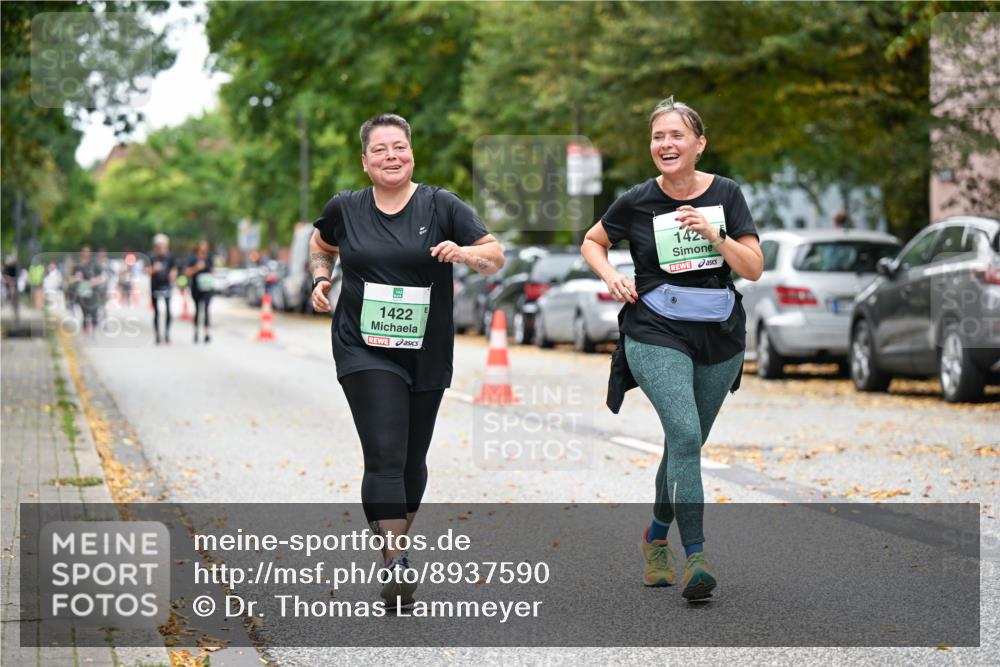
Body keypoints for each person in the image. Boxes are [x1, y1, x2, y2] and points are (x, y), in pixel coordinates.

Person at [309, 113, 503, 605]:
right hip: (363, 345)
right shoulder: (345, 208)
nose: (391, 156)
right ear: (365, 160)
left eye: (399, 147)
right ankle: (394, 559)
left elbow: (494, 255)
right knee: (385, 452)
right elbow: (321, 244)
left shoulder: (441, 204)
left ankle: (397, 546)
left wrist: (464, 253)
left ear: (411, 152)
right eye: (380, 150)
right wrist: (320, 277)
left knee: (413, 460)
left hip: (427, 348)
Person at [581, 97, 763, 601]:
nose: (666, 144)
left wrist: (715, 234)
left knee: (686, 445)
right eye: (658, 136)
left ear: (699, 144)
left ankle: (655, 538)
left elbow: (752, 267)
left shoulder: (726, 194)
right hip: (655, 329)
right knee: (683, 433)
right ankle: (696, 557)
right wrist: (612, 275)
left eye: (677, 135)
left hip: (719, 334)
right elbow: (592, 242)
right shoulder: (636, 200)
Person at [146, 233, 177, 344]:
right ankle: (157, 335)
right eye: (160, 245)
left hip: (167, 286)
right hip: (155, 286)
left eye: (164, 245)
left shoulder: (169, 256)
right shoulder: (151, 256)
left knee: (168, 311)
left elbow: (174, 269)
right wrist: (154, 269)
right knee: (156, 312)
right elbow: (146, 271)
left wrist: (173, 275)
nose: (162, 248)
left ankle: (167, 333)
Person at [70, 245, 104, 335]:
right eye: (83, 251)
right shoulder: (77, 265)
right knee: (84, 312)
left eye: (87, 251)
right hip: (82, 292)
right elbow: (71, 279)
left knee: (94, 312)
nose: (85, 253)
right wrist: (75, 279)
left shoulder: (94, 263)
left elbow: (101, 277)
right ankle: (86, 332)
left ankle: (93, 328)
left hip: (93, 292)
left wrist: (93, 282)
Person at [185, 240, 215, 343]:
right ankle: (196, 332)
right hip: (196, 288)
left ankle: (206, 333)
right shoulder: (193, 258)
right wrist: (197, 268)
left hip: (207, 287)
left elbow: (213, 270)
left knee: (206, 310)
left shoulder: (209, 258)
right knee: (197, 310)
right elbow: (187, 272)